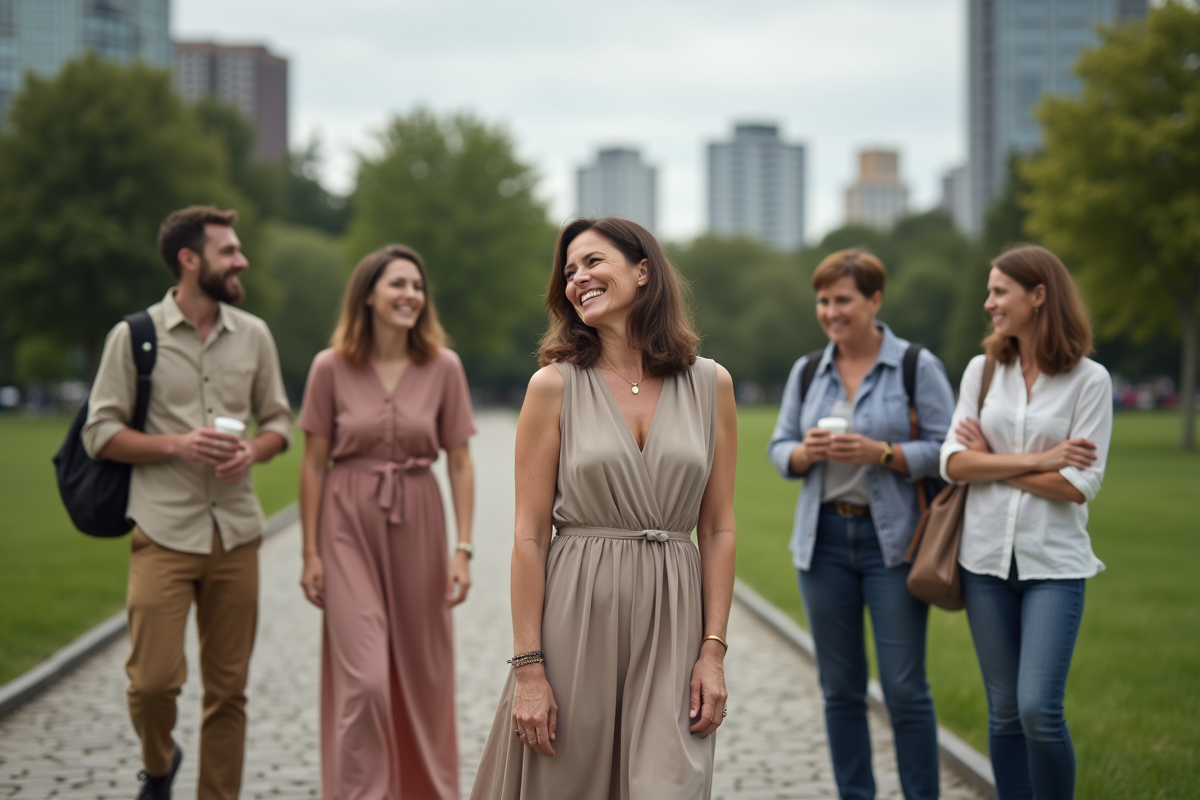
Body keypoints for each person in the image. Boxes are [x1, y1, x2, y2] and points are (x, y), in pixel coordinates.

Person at [468, 217, 737, 800]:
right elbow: (530, 536)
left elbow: (717, 527)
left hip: (674, 617)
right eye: (569, 271)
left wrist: (712, 652)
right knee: (568, 785)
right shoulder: (553, 386)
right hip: (577, 614)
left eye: (593, 262)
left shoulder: (712, 384)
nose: (578, 279)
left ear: (643, 271)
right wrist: (529, 669)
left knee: (671, 785)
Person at [83, 206, 292, 800]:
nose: (241, 260)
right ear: (189, 259)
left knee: (228, 692)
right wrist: (178, 443)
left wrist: (254, 450)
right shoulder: (134, 337)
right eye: (229, 251)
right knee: (151, 685)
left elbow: (280, 420)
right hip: (163, 532)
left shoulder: (254, 334)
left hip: (237, 535)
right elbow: (98, 433)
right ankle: (160, 759)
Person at [767, 249, 955, 800]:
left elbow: (950, 450)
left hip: (892, 545)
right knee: (840, 690)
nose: (831, 311)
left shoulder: (917, 366)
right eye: (823, 301)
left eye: (843, 300)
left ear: (874, 300)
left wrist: (883, 452)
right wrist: (806, 453)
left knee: (903, 688)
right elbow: (779, 448)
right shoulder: (808, 370)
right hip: (822, 543)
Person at [297, 244, 477, 800]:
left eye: (417, 287)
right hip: (346, 520)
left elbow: (462, 462)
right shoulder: (330, 367)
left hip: (421, 521)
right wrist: (310, 553)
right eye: (398, 284)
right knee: (365, 679)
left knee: (423, 677)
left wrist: (463, 549)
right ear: (368, 294)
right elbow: (311, 463)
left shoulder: (444, 367)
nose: (410, 296)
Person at [941, 245, 1111, 800]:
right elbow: (955, 462)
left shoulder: (1091, 382)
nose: (988, 303)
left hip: (1053, 565)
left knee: (1039, 707)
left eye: (999, 292)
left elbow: (1075, 486)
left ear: (1039, 296)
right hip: (984, 561)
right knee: (1005, 712)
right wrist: (1040, 458)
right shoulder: (983, 371)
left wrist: (992, 462)